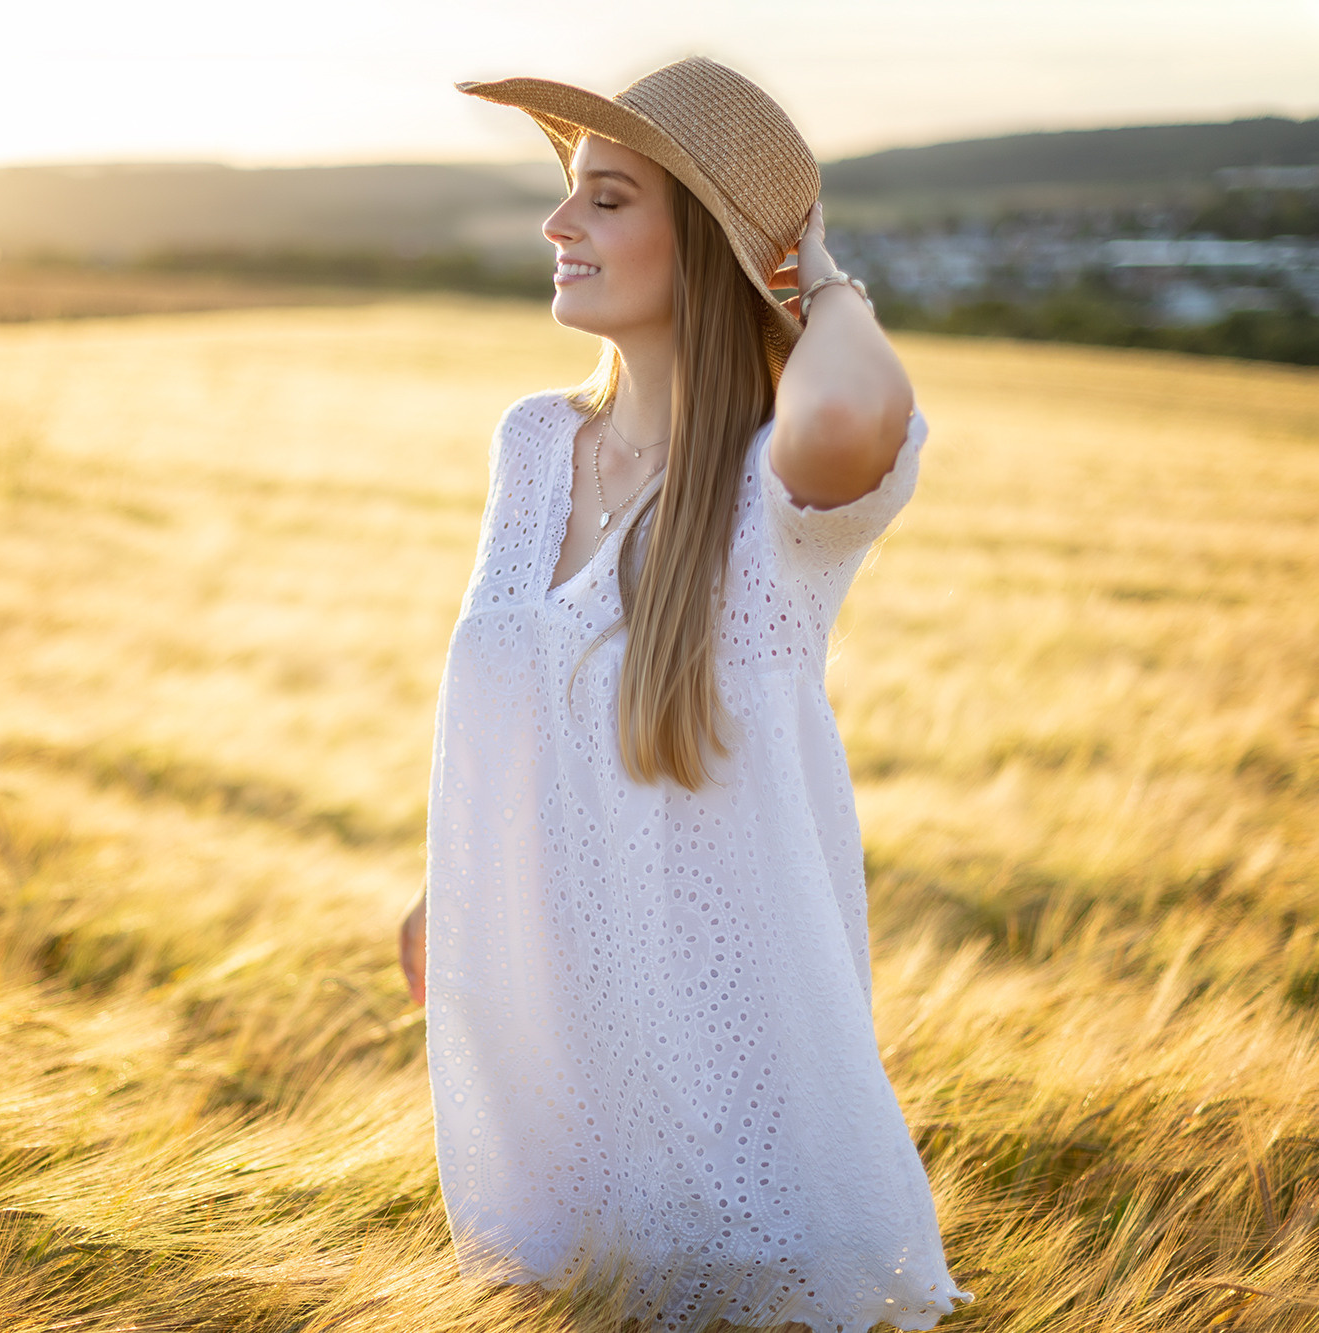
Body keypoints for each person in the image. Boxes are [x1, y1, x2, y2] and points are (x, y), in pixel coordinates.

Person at [396, 57, 973, 1332]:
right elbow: (520, 699)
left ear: (703, 243)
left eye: (605, 199)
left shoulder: (776, 493)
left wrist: (818, 277)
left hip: (731, 1083)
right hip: (559, 1058)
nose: (558, 225)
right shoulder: (531, 445)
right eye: (568, 195)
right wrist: (455, 877)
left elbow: (857, 407)